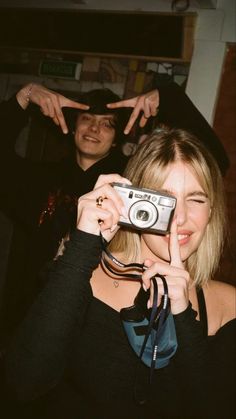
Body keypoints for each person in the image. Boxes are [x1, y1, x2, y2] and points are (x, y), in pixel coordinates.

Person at [5, 128, 235, 419]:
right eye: (164, 199)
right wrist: (82, 247)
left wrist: (182, 312)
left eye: (196, 199)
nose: (180, 217)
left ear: (212, 210)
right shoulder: (81, 277)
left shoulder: (227, 306)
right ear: (132, 199)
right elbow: (22, 385)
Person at [0, 80, 229, 346]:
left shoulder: (130, 182)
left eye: (107, 123)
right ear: (73, 126)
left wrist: (169, 100)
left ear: (116, 138)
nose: (95, 128)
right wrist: (24, 97)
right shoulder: (41, 180)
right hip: (31, 313)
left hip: (100, 316)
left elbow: (210, 166)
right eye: (87, 119)